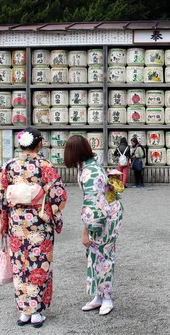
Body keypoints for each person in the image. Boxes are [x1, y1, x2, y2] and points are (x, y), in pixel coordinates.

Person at [0, 127, 66, 328]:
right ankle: (37, 312)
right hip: (39, 223)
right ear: (39, 144)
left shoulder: (9, 166)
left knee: (20, 265)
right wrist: (53, 214)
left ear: (21, 144)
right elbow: (58, 196)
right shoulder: (46, 166)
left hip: (16, 224)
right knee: (39, 265)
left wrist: (4, 220)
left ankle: (24, 311)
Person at [64, 135, 123, 316]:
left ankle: (107, 297)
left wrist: (86, 231)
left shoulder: (91, 172)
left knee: (103, 255)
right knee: (94, 255)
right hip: (103, 212)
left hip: (105, 217)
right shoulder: (88, 166)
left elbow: (93, 205)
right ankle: (98, 295)